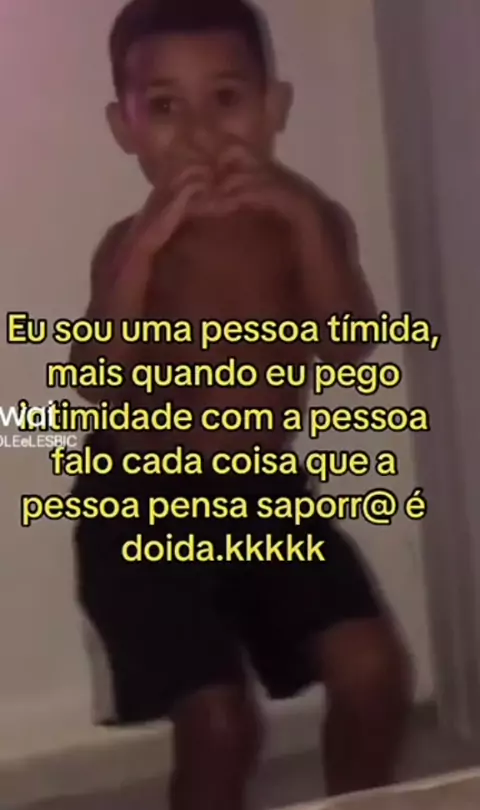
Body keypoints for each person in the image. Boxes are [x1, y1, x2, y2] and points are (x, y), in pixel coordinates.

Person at [70, 1, 412, 807]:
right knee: (220, 724)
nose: (201, 134)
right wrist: (147, 245)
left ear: (273, 109)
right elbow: (96, 379)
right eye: (165, 107)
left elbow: (348, 345)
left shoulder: (309, 223)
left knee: (373, 669)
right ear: (124, 128)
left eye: (226, 99)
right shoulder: (128, 246)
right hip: (139, 507)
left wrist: (303, 223)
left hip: (262, 496)